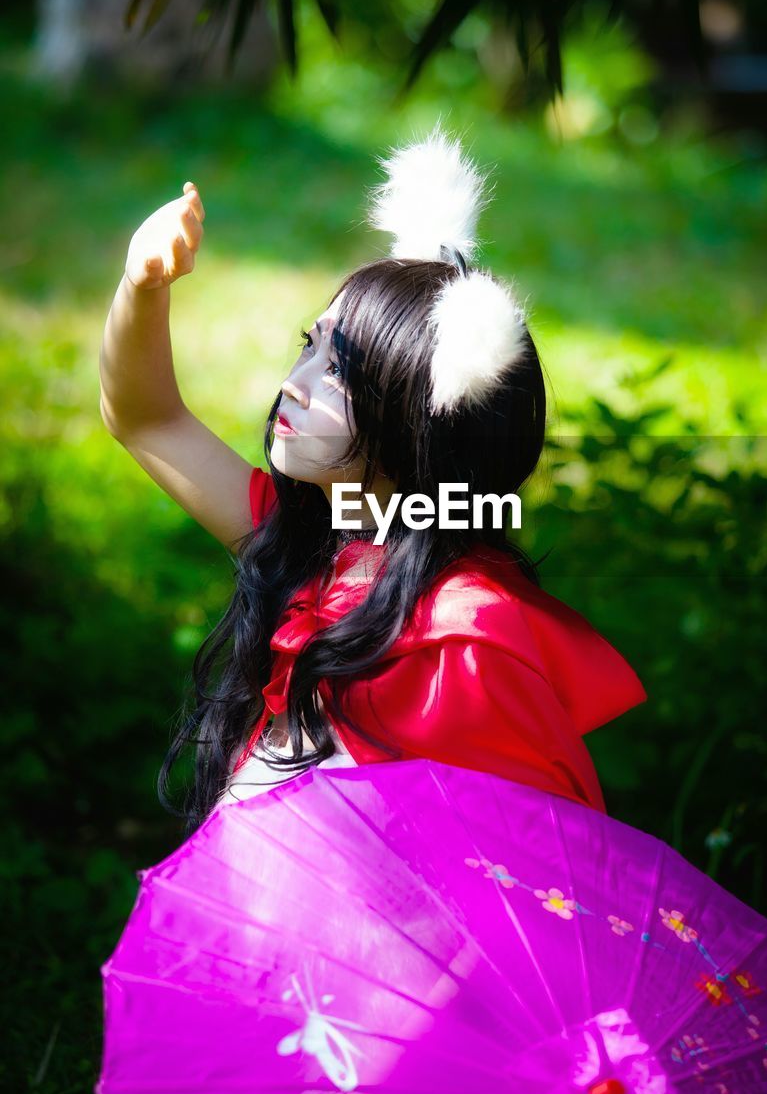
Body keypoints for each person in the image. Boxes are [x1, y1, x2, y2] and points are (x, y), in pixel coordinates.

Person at [99, 123, 647, 837]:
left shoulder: (466, 635)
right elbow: (145, 419)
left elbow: (537, 859)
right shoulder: (312, 539)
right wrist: (142, 288)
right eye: (308, 346)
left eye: (337, 369)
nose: (294, 386)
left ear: (417, 421)